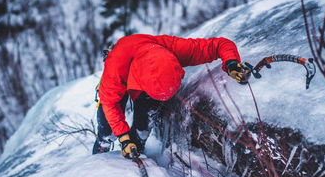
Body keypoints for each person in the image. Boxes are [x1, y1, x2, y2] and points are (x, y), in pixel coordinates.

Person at [92, 34, 248, 158]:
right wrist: (123, 137)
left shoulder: (173, 48)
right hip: (121, 70)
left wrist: (231, 63)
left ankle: (136, 150)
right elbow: (109, 103)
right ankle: (101, 148)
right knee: (108, 131)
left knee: (142, 129)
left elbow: (220, 44)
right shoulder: (115, 69)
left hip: (149, 82)